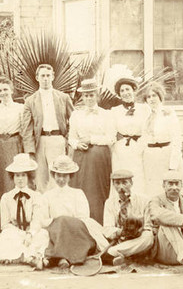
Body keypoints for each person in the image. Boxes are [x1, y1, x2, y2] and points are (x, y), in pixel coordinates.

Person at [42, 155, 110, 269]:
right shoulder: (47, 196)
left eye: (65, 176)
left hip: (76, 230)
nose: (61, 179)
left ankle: (61, 258)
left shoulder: (78, 193)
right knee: (61, 221)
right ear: (54, 175)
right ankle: (65, 258)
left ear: (70, 176)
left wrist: (66, 222)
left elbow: (83, 217)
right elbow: (43, 220)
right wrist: (59, 221)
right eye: (59, 175)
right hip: (55, 231)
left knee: (65, 221)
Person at [0, 154, 49, 269]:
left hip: (30, 232)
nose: (20, 179)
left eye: (23, 175)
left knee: (43, 234)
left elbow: (37, 220)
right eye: (17, 176)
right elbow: (5, 225)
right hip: (15, 232)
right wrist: (21, 234)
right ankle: (28, 257)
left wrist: (30, 234)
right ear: (13, 177)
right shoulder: (6, 197)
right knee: (7, 235)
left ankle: (27, 256)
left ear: (29, 177)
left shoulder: (36, 196)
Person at [69, 78, 116, 224]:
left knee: (98, 191)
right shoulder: (76, 115)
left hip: (99, 157)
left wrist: (91, 139)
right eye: (86, 95)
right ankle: (82, 225)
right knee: (81, 190)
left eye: (92, 95)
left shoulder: (106, 114)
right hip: (81, 156)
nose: (89, 98)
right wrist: (77, 144)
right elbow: (71, 137)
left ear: (97, 96)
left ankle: (101, 224)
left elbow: (111, 138)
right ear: (82, 97)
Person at [21, 64, 74, 192]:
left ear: (53, 77)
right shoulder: (30, 100)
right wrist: (30, 151)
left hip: (57, 139)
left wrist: (68, 141)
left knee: (57, 176)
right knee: (40, 179)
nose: (45, 79)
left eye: (48, 76)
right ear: (37, 78)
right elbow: (27, 129)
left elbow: (74, 121)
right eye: (42, 76)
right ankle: (43, 209)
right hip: (40, 142)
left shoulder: (63, 98)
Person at [140, 81, 183, 196]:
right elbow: (143, 139)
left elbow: (176, 140)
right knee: (153, 190)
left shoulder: (168, 113)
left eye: (154, 95)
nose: (151, 99)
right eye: (148, 97)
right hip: (150, 158)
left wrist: (173, 165)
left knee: (169, 189)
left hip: (165, 156)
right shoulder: (145, 116)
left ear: (160, 96)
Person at [0, 77, 24, 226]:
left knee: (16, 179)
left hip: (15, 144)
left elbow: (24, 129)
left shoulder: (20, 107)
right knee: (1, 183)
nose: (3, 93)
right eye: (0, 90)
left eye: (5, 90)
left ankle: (19, 218)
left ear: (12, 90)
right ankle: (4, 221)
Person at [102, 170, 154, 266]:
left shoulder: (144, 200)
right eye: (117, 183)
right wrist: (120, 232)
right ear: (113, 185)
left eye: (124, 183)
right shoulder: (109, 203)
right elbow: (107, 228)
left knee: (148, 237)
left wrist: (138, 230)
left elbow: (148, 226)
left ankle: (111, 254)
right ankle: (120, 255)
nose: (121, 187)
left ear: (131, 183)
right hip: (119, 239)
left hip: (138, 240)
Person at [110, 77, 149, 193]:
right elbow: (111, 131)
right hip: (121, 149)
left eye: (128, 89)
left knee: (139, 176)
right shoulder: (115, 111)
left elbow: (150, 127)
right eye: (122, 91)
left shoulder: (144, 108)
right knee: (121, 175)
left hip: (139, 147)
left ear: (134, 90)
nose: (125, 93)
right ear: (119, 94)